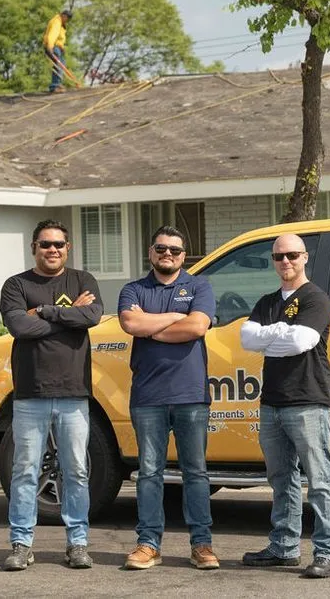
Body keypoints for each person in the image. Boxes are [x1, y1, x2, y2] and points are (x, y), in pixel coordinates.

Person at [0, 219, 103, 571]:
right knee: (25, 471)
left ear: (67, 248)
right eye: (45, 244)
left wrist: (44, 311)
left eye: (58, 244)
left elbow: (92, 315)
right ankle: (21, 544)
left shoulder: (83, 280)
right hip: (31, 394)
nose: (52, 249)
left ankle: (78, 544)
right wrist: (70, 315)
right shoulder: (16, 284)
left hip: (74, 393)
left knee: (76, 471)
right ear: (34, 248)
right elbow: (19, 326)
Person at [239, 233, 330, 579]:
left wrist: (269, 337)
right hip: (272, 402)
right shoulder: (267, 301)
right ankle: (284, 548)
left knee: (320, 480)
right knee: (281, 479)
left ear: (305, 257)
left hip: (308, 401)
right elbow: (246, 339)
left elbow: (301, 341)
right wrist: (280, 333)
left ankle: (328, 553)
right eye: (278, 256)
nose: (285, 261)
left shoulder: (316, 298)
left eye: (292, 255)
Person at [117, 226, 219, 571]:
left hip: (191, 394)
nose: (168, 255)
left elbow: (197, 327)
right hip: (148, 396)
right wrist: (176, 317)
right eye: (161, 248)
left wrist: (152, 326)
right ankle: (148, 544)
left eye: (175, 250)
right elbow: (131, 324)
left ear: (183, 255)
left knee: (196, 472)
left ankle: (201, 544)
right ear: (151, 252)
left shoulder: (199, 285)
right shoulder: (134, 289)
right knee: (149, 472)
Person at [43, 9, 71, 93]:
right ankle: (55, 86)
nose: (67, 21)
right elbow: (52, 35)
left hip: (57, 47)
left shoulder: (60, 23)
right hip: (53, 47)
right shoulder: (57, 22)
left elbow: (59, 38)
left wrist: (61, 46)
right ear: (64, 16)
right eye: (67, 19)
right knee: (58, 64)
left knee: (61, 64)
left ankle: (57, 84)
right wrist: (50, 47)